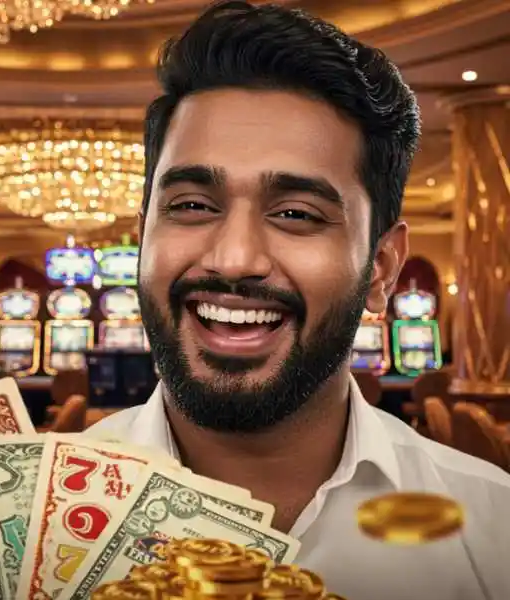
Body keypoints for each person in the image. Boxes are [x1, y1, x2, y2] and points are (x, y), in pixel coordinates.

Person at [88, 2, 510, 598]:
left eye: (295, 214)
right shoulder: (7, 530)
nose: (233, 259)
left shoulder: (495, 532)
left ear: (382, 267)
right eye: (190, 206)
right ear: (144, 234)